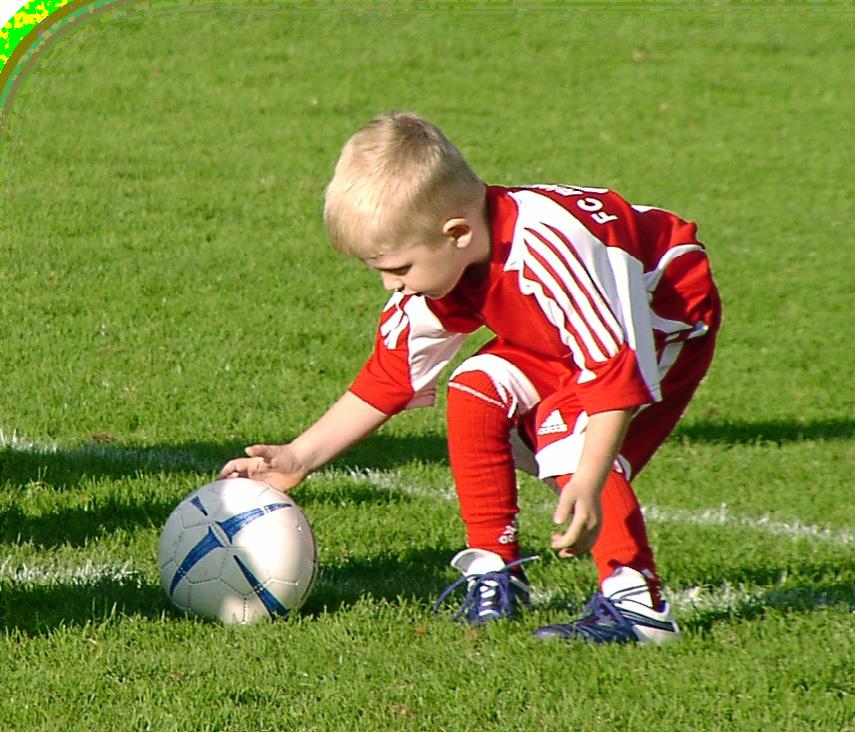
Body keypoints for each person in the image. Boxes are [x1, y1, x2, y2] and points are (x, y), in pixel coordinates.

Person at [220, 111, 721, 645]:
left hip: (662, 317)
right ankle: (496, 572)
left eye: (399, 268)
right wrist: (299, 457)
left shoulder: (550, 252)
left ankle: (639, 607)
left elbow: (612, 371)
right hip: (566, 333)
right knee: (476, 388)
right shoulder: (445, 264)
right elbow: (391, 377)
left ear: (456, 233)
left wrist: (592, 479)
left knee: (565, 432)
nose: (391, 286)